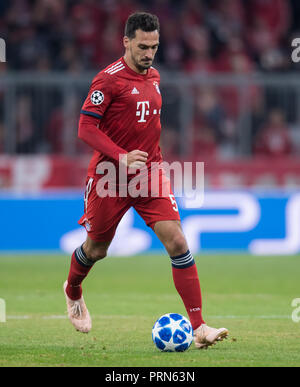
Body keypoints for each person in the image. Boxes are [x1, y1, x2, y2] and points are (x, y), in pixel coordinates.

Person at [63, 12, 228, 349]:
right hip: (110, 177)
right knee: (96, 249)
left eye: (154, 46)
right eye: (142, 46)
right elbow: (85, 128)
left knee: (178, 243)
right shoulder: (107, 80)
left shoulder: (154, 76)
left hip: (150, 174)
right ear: (126, 42)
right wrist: (121, 155)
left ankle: (199, 327)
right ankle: (73, 289)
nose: (148, 53)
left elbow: (145, 125)